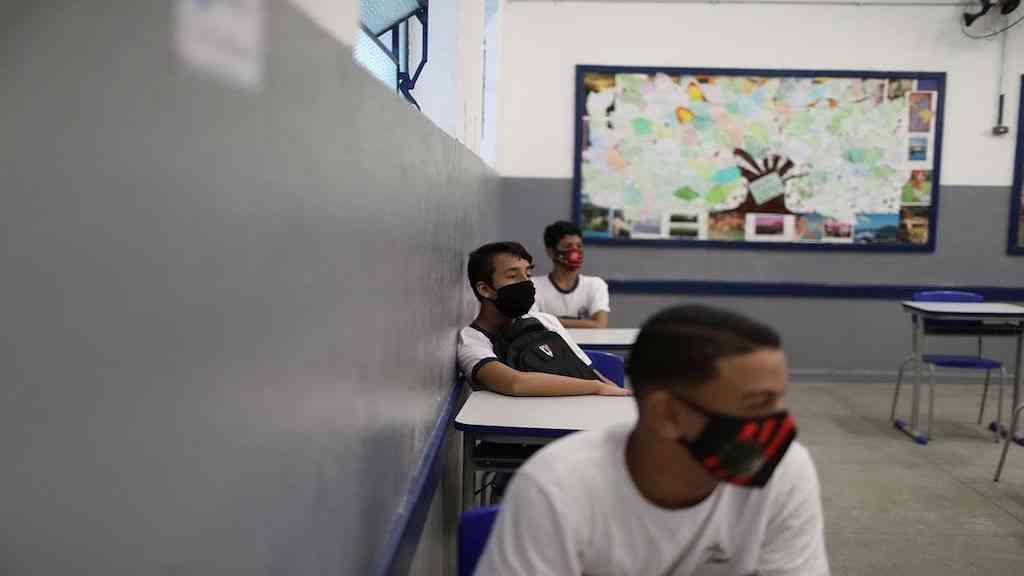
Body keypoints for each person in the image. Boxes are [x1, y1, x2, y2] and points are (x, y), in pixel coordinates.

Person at [475, 305, 829, 575]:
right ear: (668, 414)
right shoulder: (557, 487)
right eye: (756, 405)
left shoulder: (784, 470)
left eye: (778, 401)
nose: (778, 423)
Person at [457, 241, 628, 396]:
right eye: (513, 276)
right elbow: (515, 383)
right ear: (485, 289)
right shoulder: (472, 340)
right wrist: (596, 388)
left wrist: (615, 392)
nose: (526, 282)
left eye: (528, 274)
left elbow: (586, 371)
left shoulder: (544, 321)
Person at [532, 220, 610, 329]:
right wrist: (588, 324)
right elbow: (532, 322)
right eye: (568, 246)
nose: (575, 252)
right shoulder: (533, 286)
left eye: (579, 246)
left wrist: (547, 321)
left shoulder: (596, 285)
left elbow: (600, 325)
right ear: (551, 252)